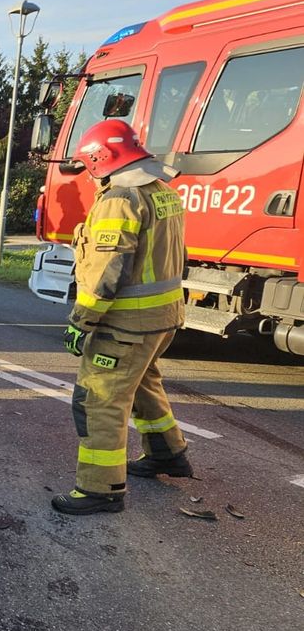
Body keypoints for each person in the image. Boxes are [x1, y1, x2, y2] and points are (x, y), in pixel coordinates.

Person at [51, 119, 190, 516]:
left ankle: (101, 488)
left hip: (125, 323)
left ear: (100, 158)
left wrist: (82, 320)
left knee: (100, 399)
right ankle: (168, 453)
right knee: (143, 385)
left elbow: (107, 269)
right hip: (161, 317)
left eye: (89, 162)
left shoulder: (120, 199)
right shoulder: (161, 191)